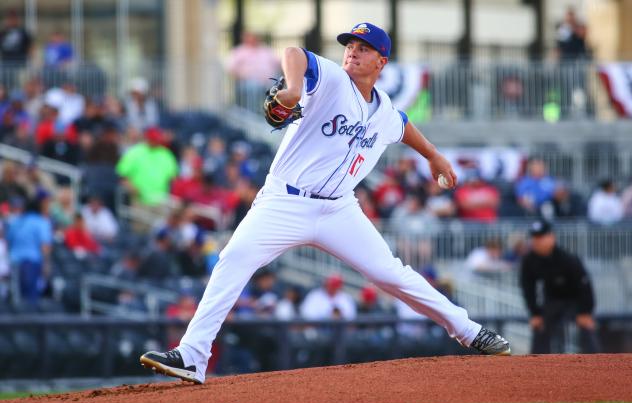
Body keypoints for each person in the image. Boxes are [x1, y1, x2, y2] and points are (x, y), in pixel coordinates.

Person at [140, 22, 511, 384]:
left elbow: (402, 125)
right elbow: (294, 53)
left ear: (382, 62)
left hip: (338, 209)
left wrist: (433, 155)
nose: (352, 51)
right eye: (350, 45)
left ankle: (469, 331)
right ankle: (193, 354)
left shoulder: (383, 112)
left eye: (363, 48)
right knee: (232, 260)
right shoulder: (333, 80)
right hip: (285, 200)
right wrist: (293, 88)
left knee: (390, 274)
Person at [520, 220, 600, 354]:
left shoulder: (567, 258)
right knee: (540, 326)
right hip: (552, 299)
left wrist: (586, 312)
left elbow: (584, 285)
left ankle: (597, 360)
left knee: (586, 326)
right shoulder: (529, 260)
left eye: (541, 237)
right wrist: (535, 313)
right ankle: (535, 364)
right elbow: (528, 288)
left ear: (551, 237)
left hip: (574, 299)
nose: (537, 241)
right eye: (534, 238)